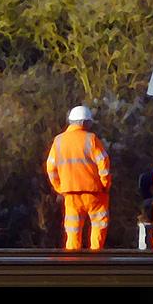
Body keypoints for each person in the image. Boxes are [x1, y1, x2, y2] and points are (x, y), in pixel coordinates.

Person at [46, 105, 112, 250]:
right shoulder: (92, 139)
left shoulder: (58, 141)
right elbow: (104, 164)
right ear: (84, 122)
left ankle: (73, 264)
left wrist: (60, 188)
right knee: (99, 227)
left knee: (73, 230)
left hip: (70, 195)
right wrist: (105, 185)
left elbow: (50, 168)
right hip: (94, 194)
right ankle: (96, 260)